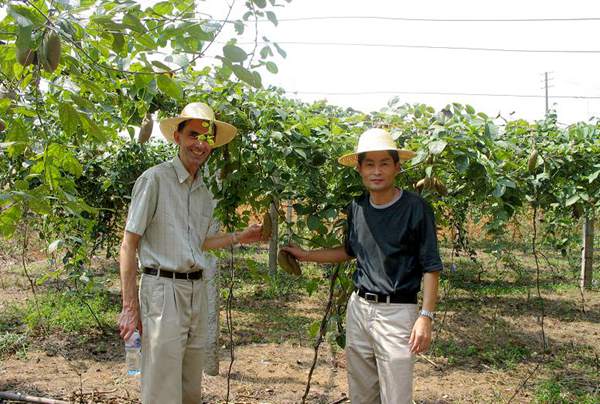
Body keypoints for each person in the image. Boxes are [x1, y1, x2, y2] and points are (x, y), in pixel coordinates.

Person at [118, 102, 267, 404]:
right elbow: (128, 243)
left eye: (207, 137)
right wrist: (130, 306)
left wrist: (242, 236)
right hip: (163, 291)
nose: (200, 144)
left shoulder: (204, 189)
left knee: (190, 385)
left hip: (196, 290)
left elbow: (198, 243)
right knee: (161, 386)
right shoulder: (155, 180)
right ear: (177, 137)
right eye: (193, 135)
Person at [283, 128, 443, 404]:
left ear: (397, 167)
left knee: (396, 396)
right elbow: (349, 251)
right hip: (359, 310)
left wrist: (425, 316)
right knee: (362, 393)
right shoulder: (356, 207)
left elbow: (431, 266)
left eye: (384, 163)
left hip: (397, 313)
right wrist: (306, 255)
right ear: (359, 169)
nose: (376, 171)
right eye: (369, 164)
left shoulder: (416, 208)